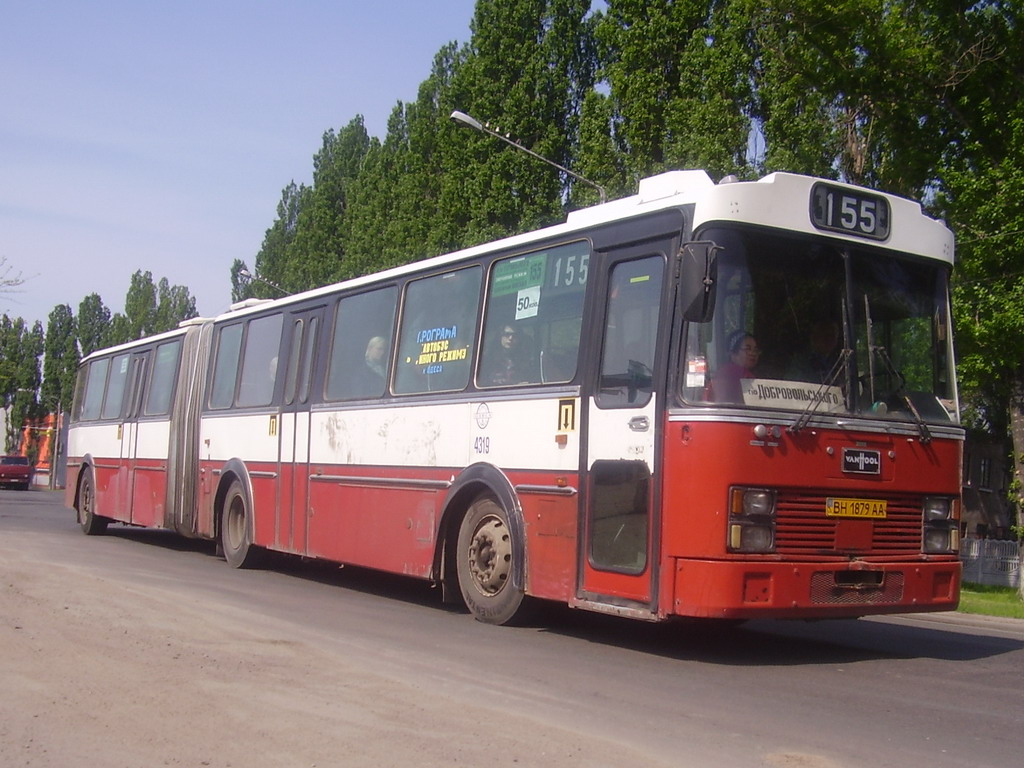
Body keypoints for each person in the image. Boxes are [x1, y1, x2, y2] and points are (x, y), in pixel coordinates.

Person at [711, 331, 759, 402]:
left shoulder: (723, 371)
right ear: (733, 353)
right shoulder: (736, 373)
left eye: (755, 350)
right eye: (747, 349)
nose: (753, 353)